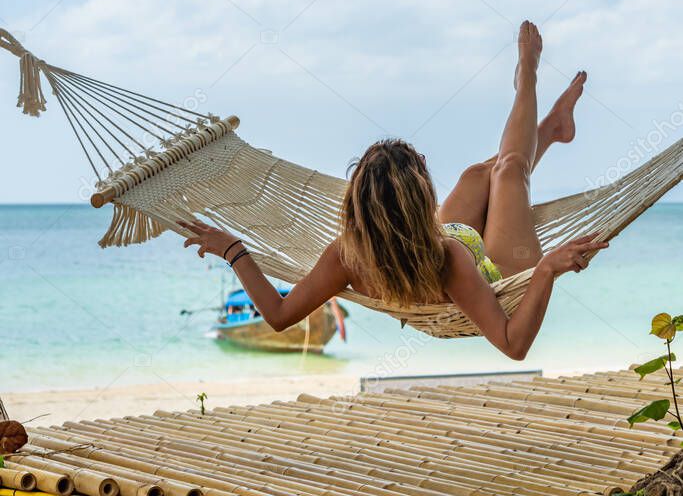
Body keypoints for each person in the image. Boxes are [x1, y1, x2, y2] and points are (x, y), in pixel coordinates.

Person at [181, 21, 607, 359]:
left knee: (479, 176)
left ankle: (551, 129)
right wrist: (548, 269)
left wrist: (234, 250)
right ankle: (526, 79)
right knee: (510, 171)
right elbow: (514, 344)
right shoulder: (450, 260)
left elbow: (277, 314)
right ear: (419, 199)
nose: (426, 165)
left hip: (430, 244)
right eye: (422, 168)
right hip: (499, 274)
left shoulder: (346, 254)